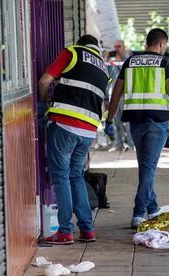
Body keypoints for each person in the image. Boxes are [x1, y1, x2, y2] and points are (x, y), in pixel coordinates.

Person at [105, 28, 169, 228]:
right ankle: (139, 213)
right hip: (157, 122)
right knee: (148, 169)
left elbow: (116, 95)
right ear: (162, 44)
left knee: (146, 166)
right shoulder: (166, 63)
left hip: (135, 123)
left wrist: (109, 119)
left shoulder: (130, 62)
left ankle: (153, 207)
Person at [38, 34, 110, 244]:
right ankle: (87, 230)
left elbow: (44, 81)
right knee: (76, 176)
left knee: (61, 176)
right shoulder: (104, 69)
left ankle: (65, 231)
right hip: (88, 130)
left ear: (81, 45)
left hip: (65, 124)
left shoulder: (73, 52)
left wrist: (43, 106)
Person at [106, 39, 134, 152]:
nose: (117, 49)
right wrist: (107, 60)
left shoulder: (128, 60)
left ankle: (131, 145)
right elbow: (108, 75)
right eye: (115, 46)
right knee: (116, 121)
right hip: (113, 95)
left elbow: (127, 74)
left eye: (119, 46)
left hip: (125, 96)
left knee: (128, 122)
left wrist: (118, 63)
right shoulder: (111, 62)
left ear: (124, 47)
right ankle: (118, 144)